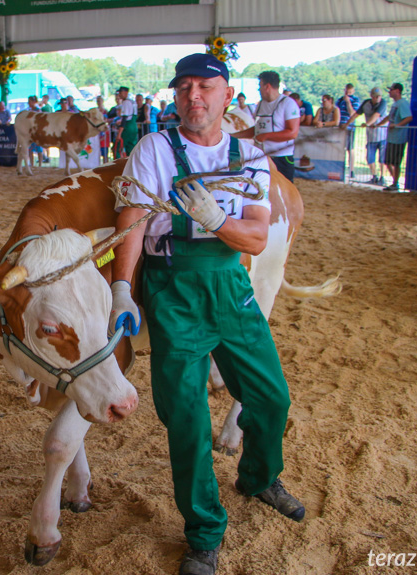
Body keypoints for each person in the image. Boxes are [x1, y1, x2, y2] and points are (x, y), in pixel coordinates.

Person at [109, 52, 304, 575]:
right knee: (188, 417)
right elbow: (131, 217)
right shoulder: (153, 147)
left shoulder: (252, 158)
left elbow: (257, 238)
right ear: (175, 97)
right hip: (172, 287)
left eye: (205, 87)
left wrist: (217, 219)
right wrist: (122, 288)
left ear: (226, 96)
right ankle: (203, 532)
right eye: (184, 88)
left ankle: (260, 476)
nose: (193, 96)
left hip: (229, 283)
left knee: (271, 397)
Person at [232, 70, 300, 182]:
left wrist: (266, 136)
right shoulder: (260, 105)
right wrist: (233, 135)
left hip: (282, 157)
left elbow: (292, 133)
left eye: (260, 86)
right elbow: (257, 130)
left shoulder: (288, 103)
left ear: (267, 86)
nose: (258, 89)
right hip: (262, 157)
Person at [346, 87, 388, 185]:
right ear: (371, 96)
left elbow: (376, 115)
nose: (377, 98)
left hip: (382, 135)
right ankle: (374, 176)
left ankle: (382, 177)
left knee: (382, 159)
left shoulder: (383, 103)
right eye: (375, 96)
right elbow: (356, 114)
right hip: (371, 136)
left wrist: (367, 124)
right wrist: (347, 123)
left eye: (379, 96)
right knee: (370, 158)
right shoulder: (366, 103)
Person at [376, 82, 412, 192]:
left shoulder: (402, 104)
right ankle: (394, 182)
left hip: (398, 138)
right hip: (392, 137)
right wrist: (378, 124)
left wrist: (397, 125)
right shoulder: (396, 104)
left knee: (395, 162)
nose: (389, 92)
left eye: (391, 90)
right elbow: (389, 117)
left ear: (397, 91)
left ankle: (395, 183)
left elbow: (409, 118)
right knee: (388, 161)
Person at [337, 84, 361, 178]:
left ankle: (351, 170)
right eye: (346, 91)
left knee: (350, 149)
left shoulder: (355, 100)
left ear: (353, 91)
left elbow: (352, 113)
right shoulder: (340, 100)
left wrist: (348, 102)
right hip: (339, 128)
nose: (348, 94)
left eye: (350, 92)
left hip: (350, 127)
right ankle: (340, 169)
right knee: (339, 148)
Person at [115, 86, 137, 156]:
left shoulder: (125, 102)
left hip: (128, 127)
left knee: (117, 147)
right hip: (134, 126)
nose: (119, 95)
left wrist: (119, 134)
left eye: (120, 93)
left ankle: (118, 165)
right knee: (131, 148)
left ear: (125, 93)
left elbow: (124, 119)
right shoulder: (133, 102)